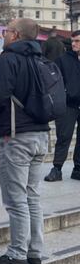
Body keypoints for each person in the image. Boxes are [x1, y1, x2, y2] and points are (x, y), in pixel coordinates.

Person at [0, 19, 51, 264]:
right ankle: (34, 253)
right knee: (32, 196)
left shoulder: (9, 59)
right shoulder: (40, 60)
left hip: (17, 136)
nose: (3, 34)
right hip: (41, 134)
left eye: (6, 31)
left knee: (16, 199)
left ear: (16, 35)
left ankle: (17, 255)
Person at [44, 30, 80, 182]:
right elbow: (55, 81)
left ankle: (78, 168)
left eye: (77, 41)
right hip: (68, 104)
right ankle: (57, 168)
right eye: (72, 41)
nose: (74, 44)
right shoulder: (63, 60)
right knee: (63, 136)